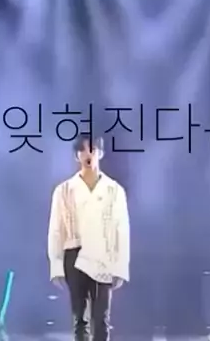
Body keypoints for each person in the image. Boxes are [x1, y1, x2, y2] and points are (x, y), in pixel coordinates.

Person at [47, 135, 130, 341]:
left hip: (103, 255)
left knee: (101, 319)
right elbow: (56, 230)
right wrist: (56, 267)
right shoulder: (63, 190)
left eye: (92, 149)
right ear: (77, 155)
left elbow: (121, 230)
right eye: (82, 150)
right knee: (80, 320)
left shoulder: (114, 190)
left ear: (100, 153)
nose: (88, 154)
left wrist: (120, 268)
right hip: (74, 255)